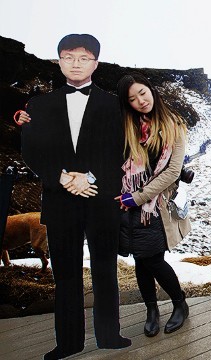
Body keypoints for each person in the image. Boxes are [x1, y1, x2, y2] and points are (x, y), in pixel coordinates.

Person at [19, 34, 130, 359]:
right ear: (59, 61)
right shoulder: (39, 105)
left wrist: (89, 178)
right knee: (66, 275)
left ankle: (109, 336)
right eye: (69, 56)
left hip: (101, 198)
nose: (76, 63)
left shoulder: (113, 104)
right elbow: (31, 151)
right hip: (60, 201)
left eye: (84, 57)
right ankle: (69, 343)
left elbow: (118, 150)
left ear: (95, 63)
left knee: (105, 269)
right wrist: (64, 178)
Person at [115, 72, 192, 337]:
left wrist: (136, 197)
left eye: (143, 93)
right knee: (141, 260)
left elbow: (172, 172)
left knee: (153, 259)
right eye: (133, 99)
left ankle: (179, 303)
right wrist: (30, 117)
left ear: (151, 90)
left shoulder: (174, 125)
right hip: (128, 206)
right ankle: (151, 310)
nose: (140, 101)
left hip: (153, 207)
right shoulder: (128, 126)